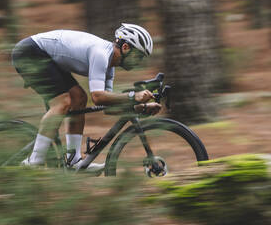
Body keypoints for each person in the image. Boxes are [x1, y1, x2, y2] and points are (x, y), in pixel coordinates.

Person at [11, 23, 161, 171]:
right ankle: (34, 162)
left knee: (79, 98)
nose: (139, 62)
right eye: (138, 56)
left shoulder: (110, 66)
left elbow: (108, 107)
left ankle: (73, 161)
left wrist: (140, 108)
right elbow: (97, 97)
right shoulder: (101, 54)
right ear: (125, 48)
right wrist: (133, 96)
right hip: (30, 52)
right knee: (62, 103)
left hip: (45, 56)